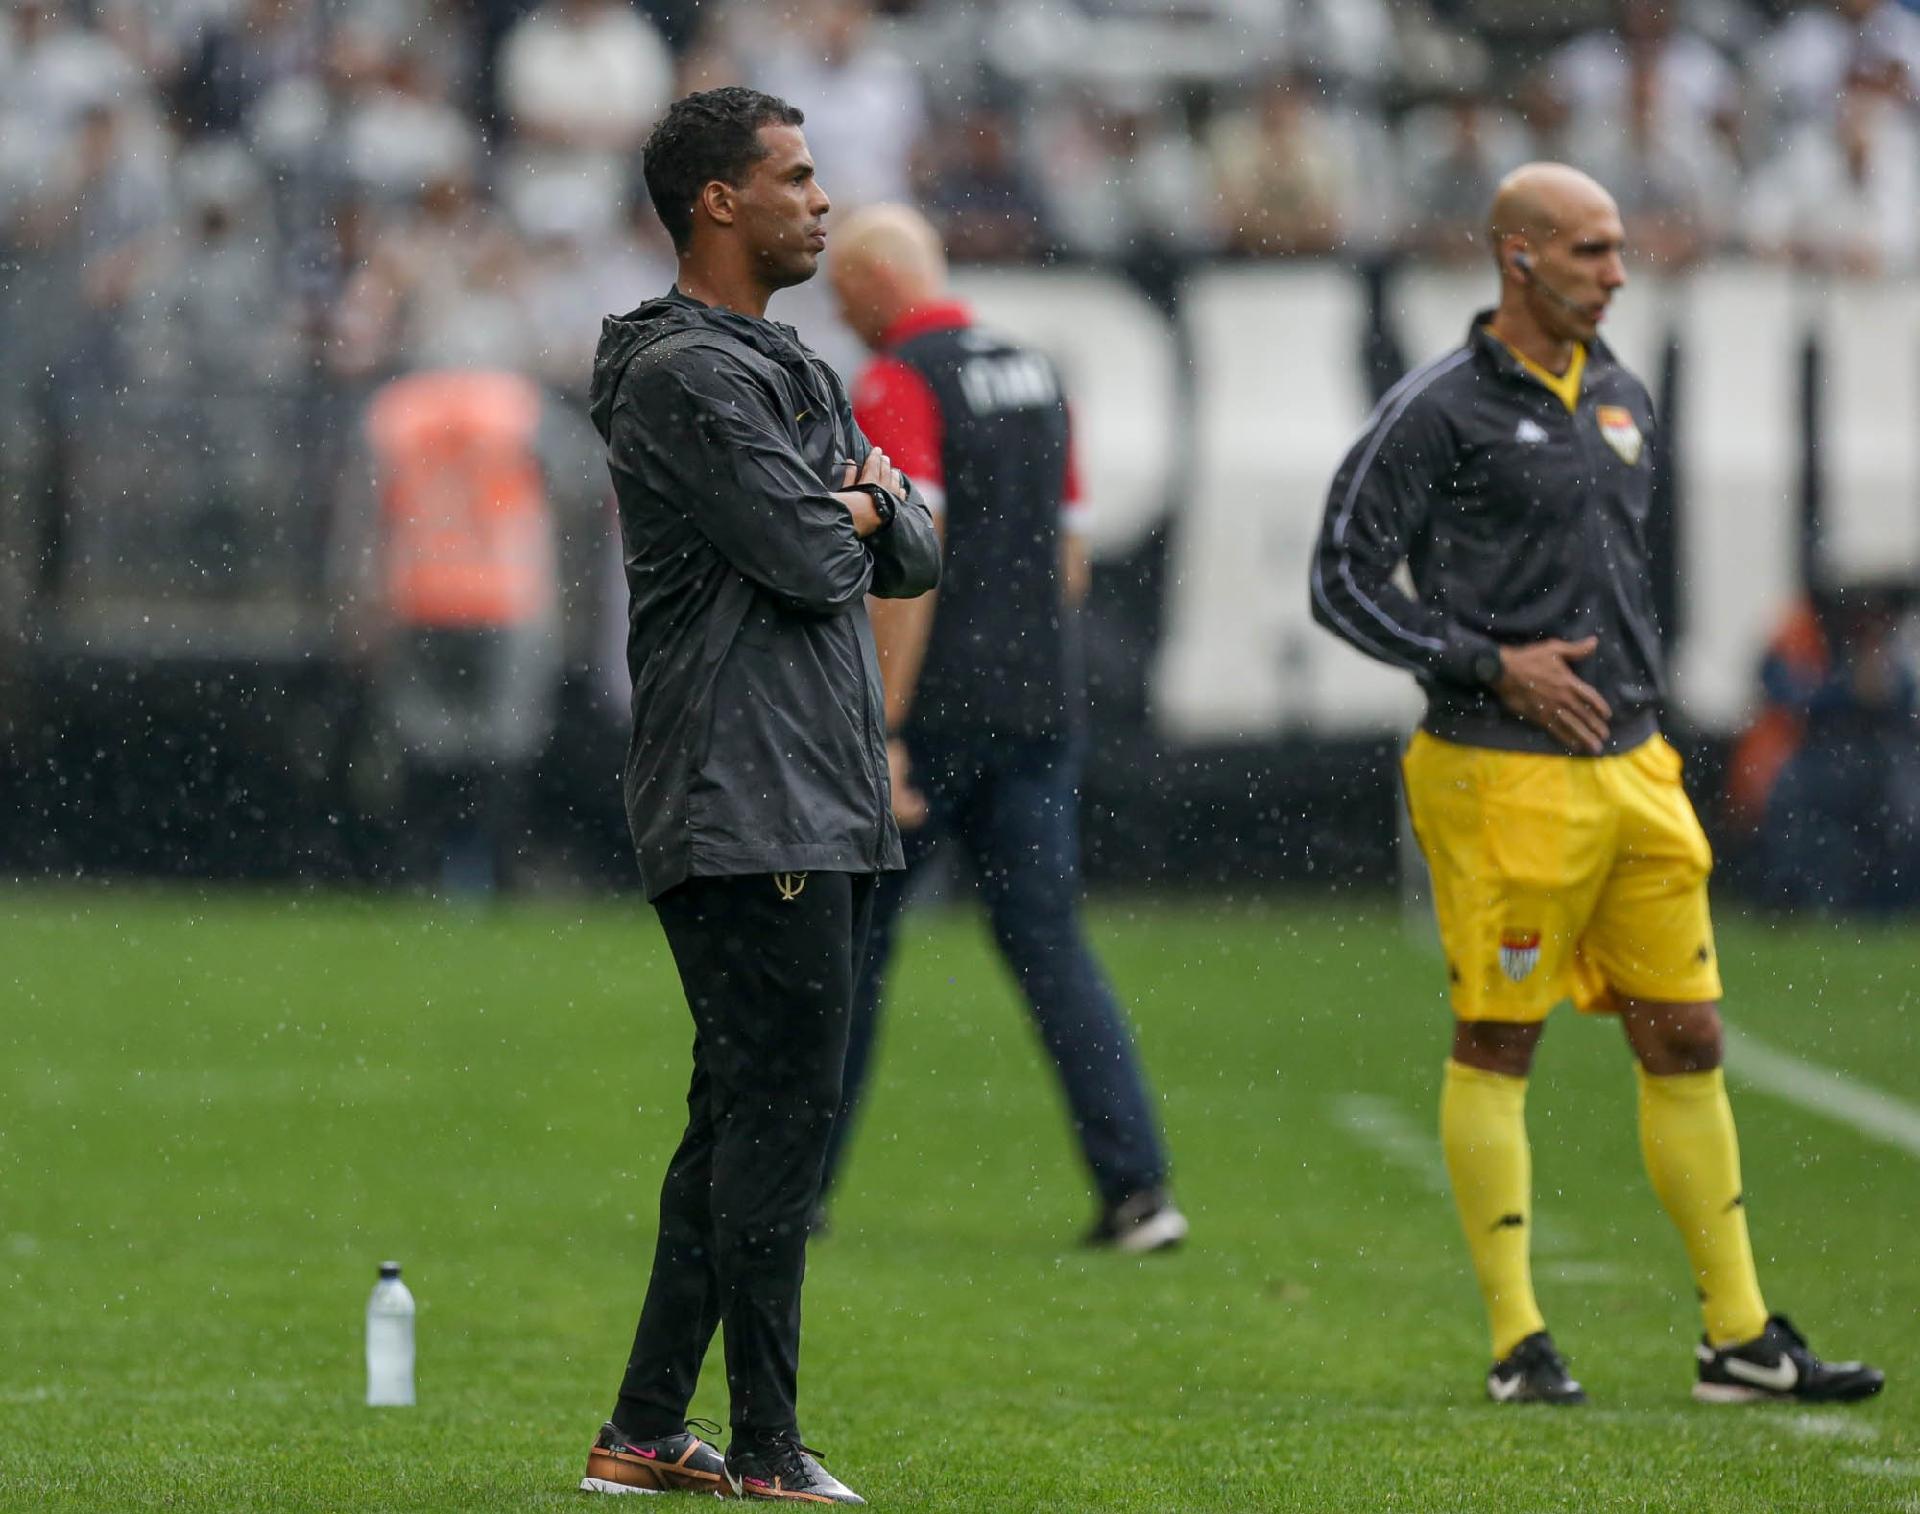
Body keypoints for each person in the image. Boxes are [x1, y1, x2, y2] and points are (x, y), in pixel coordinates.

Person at [1309, 162, 1885, 1408]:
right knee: (1499, 1037)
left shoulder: (1621, 392)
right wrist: (1483, 663)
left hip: (1636, 764)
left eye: (1620, 250)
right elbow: (1339, 579)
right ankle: (1520, 1339)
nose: (1618, 273)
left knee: (1686, 1031)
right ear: (1517, 257)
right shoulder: (1438, 407)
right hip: (1501, 777)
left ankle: (1736, 1334)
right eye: (1591, 250)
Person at [579, 88, 939, 1503]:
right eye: (794, 177)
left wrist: (862, 510)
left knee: (738, 1118)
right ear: (716, 202)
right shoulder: (685, 375)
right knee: (780, 1123)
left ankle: (647, 1429)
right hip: (747, 790)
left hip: (809, 787)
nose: (823, 200)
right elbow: (822, 547)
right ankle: (774, 1450)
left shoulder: (780, 365)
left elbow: (912, 549)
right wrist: (859, 501)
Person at [820, 203, 1183, 1251]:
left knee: (853, 949)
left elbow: (905, 566)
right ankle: (1138, 1189)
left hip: (934, 714)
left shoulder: (897, 381)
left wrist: (883, 725)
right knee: (1051, 947)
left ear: (881, 278)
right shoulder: (1036, 372)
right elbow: (1068, 563)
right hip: (1039, 706)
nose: (843, 317)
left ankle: (794, 1191)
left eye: (845, 293)